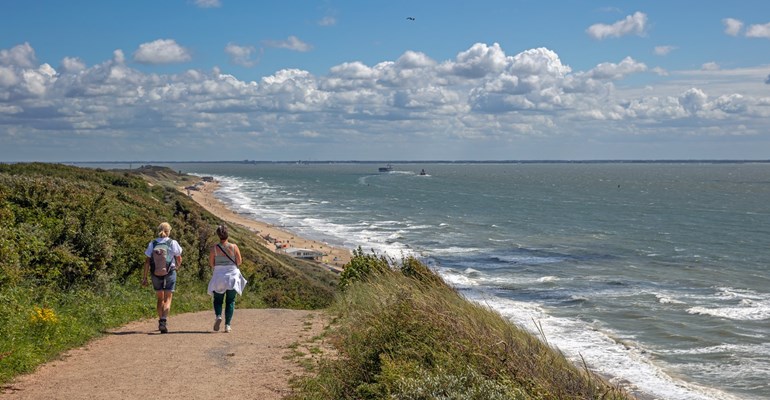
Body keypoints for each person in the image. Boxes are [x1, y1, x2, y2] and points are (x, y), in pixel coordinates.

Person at [142, 222, 183, 334]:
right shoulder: (172, 242)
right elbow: (179, 257)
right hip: (170, 272)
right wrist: (177, 267)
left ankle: (160, 320)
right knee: (168, 297)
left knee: (160, 298)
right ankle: (164, 320)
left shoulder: (153, 243)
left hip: (155, 273)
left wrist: (144, 277)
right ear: (169, 231)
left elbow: (147, 261)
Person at [208, 225, 248, 333]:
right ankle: (227, 325)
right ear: (227, 234)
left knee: (218, 300)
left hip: (219, 276)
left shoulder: (214, 248)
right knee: (230, 301)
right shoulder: (234, 247)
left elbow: (211, 263)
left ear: (218, 235)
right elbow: (239, 262)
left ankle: (218, 316)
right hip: (232, 276)